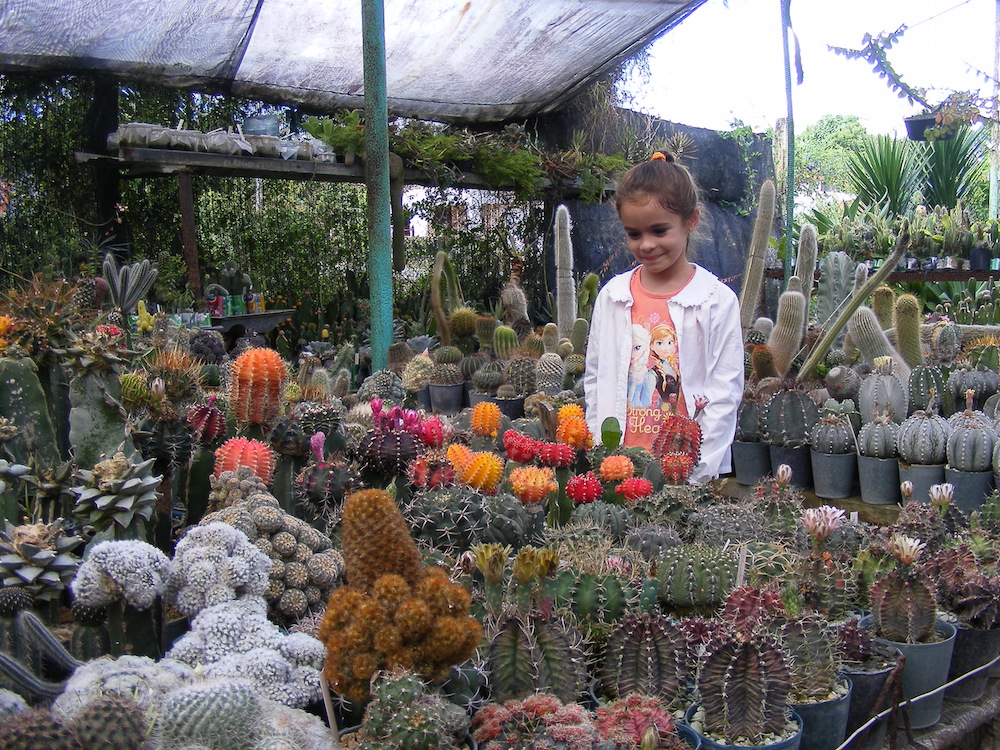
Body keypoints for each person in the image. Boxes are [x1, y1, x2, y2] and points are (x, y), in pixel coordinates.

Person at [584, 151, 744, 483]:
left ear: (691, 220)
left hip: (684, 471)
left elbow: (724, 393)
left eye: (659, 231)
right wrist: (598, 450)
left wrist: (698, 473)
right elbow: (596, 379)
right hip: (618, 466)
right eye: (634, 234)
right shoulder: (613, 297)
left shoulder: (715, 301)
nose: (646, 245)